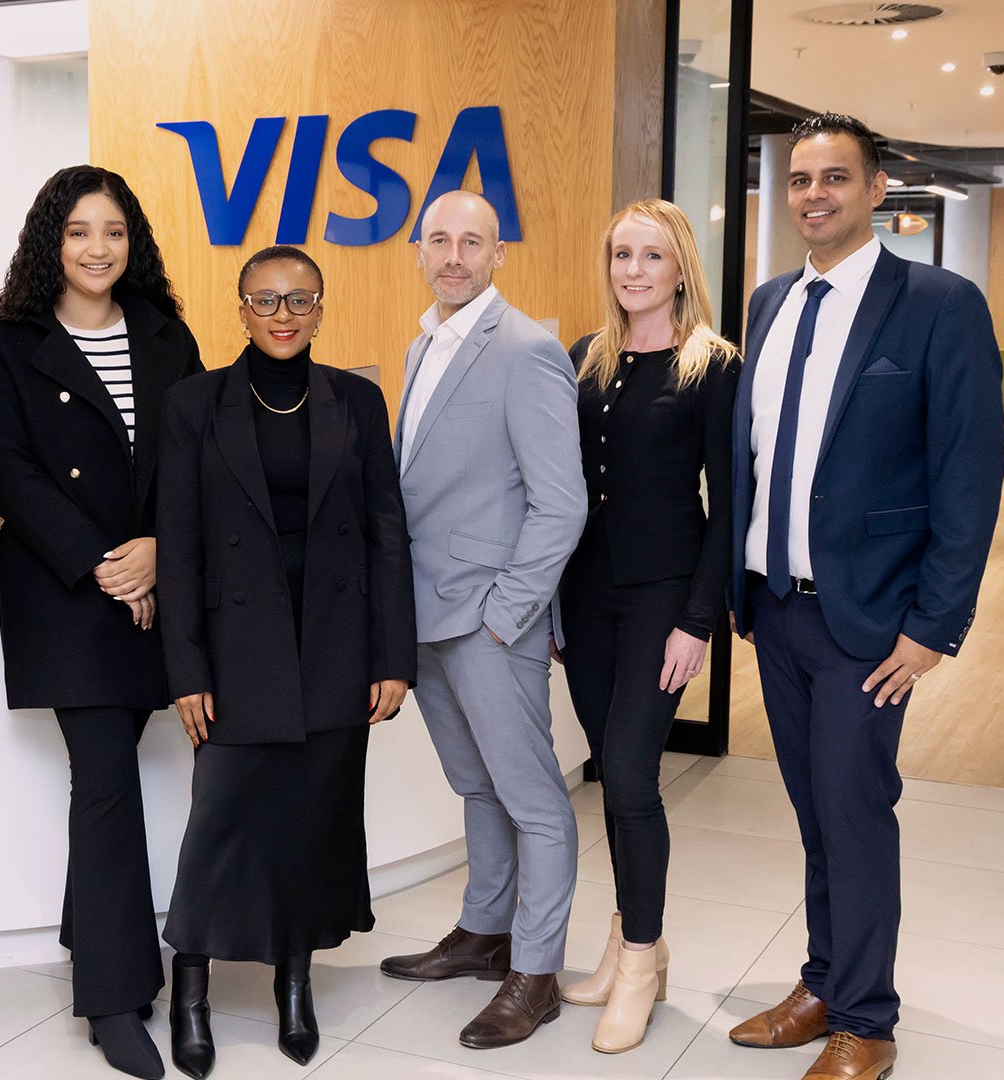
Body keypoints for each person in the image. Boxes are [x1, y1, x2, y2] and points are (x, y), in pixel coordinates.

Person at [727, 113, 1002, 1080]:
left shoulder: (936, 304)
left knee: (854, 810)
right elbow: (757, 459)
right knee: (811, 808)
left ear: (876, 189)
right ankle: (822, 983)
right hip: (776, 605)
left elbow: (968, 477)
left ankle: (868, 1020)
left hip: (870, 621)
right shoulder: (767, 303)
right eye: (800, 179)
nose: (814, 195)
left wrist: (935, 625)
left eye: (835, 178)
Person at [159, 246, 416, 1077]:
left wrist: (392, 655)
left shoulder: (357, 400)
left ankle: (294, 982)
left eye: (298, 300)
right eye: (264, 300)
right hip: (236, 649)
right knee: (223, 822)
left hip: (335, 644)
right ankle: (190, 985)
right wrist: (187, 670)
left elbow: (387, 534)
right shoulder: (194, 403)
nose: (282, 315)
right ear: (239, 310)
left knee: (314, 820)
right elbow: (181, 546)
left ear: (320, 307)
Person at [0, 165, 201, 1080]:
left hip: (159, 585)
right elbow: (11, 472)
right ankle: (113, 997)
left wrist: (157, 550)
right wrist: (109, 563)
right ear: (48, 244)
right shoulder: (6, 338)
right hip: (68, 594)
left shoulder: (165, 333)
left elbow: (192, 459)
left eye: (112, 232)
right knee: (105, 780)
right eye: (78, 233)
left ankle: (87, 935)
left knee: (111, 776)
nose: (98, 249)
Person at [377, 190, 587, 1049]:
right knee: (477, 788)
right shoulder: (424, 343)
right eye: (439, 240)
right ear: (418, 251)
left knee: (534, 800)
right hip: (428, 616)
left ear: (500, 254)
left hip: (491, 621)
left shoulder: (528, 350)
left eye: (473, 242)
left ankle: (534, 975)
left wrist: (506, 615)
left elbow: (561, 504)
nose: (454, 255)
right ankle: (482, 934)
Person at [550, 198, 741, 1053]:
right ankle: (637, 939)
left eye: (651, 256)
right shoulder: (584, 360)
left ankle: (638, 962)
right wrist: (552, 602)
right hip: (586, 597)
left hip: (664, 597)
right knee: (609, 780)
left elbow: (729, 507)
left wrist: (698, 621)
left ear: (680, 267)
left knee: (630, 776)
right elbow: (559, 493)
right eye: (621, 254)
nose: (633, 270)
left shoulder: (713, 366)